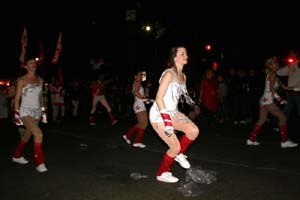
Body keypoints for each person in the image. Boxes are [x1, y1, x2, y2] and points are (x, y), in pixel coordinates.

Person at [149, 46, 199, 183]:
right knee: (174, 146)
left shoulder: (183, 76)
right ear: (175, 58)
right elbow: (159, 98)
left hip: (173, 112)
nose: (186, 55)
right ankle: (162, 173)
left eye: (186, 53)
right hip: (160, 113)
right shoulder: (169, 74)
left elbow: (181, 96)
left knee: (193, 130)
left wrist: (194, 105)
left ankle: (178, 154)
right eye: (182, 53)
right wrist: (167, 121)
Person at [246, 56, 298, 148]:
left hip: (263, 100)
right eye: (275, 63)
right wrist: (280, 99)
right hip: (268, 101)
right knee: (283, 119)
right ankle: (284, 141)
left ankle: (251, 139)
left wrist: (297, 88)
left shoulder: (273, 74)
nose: (277, 64)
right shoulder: (273, 74)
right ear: (270, 66)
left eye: (277, 62)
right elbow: (272, 89)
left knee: (261, 120)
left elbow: (284, 87)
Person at [12, 56, 48, 173]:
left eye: (34, 63)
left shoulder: (40, 80)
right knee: (38, 133)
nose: (33, 65)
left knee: (27, 135)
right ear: (26, 66)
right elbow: (17, 99)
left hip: (36, 113)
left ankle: (16, 156)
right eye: (30, 63)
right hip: (25, 112)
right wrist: (17, 114)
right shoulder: (22, 80)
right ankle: (40, 163)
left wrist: (43, 112)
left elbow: (41, 97)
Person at [122, 69, 152, 148]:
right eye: (139, 75)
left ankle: (128, 136)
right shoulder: (138, 82)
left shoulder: (138, 83)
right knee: (144, 124)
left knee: (141, 124)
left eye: (142, 75)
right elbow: (136, 92)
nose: (141, 76)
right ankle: (137, 141)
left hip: (138, 104)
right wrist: (144, 99)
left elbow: (142, 94)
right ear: (135, 76)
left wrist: (147, 90)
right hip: (139, 104)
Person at [277, 49, 300, 125]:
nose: (289, 55)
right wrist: (274, 67)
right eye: (289, 53)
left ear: (296, 54)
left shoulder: (299, 64)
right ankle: (281, 125)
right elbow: (280, 72)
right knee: (287, 110)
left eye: (291, 53)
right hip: (289, 92)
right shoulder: (290, 65)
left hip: (298, 92)